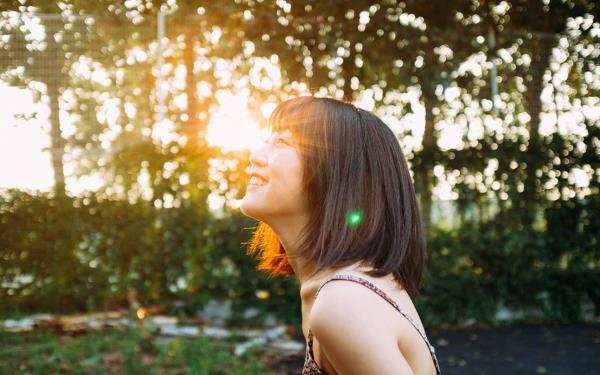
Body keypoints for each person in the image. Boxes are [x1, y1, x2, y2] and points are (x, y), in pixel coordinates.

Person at [239, 96, 441, 375]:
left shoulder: (343, 302)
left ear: (336, 176)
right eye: (267, 139)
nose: (255, 154)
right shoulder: (344, 286)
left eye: (282, 142)